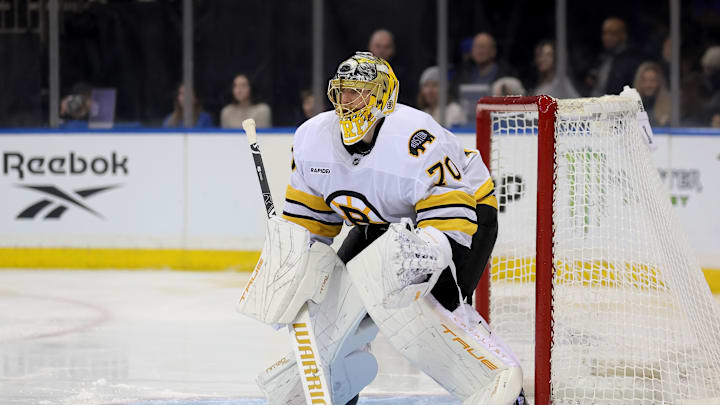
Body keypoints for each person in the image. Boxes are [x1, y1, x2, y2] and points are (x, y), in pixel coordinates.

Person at [245, 52, 526, 405]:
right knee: (333, 309)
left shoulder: (415, 138)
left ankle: (501, 387)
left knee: (430, 314)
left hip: (465, 213)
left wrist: (422, 259)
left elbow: (450, 217)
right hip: (380, 225)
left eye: (358, 91)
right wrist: (290, 267)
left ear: (383, 97)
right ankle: (336, 389)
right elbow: (311, 227)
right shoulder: (311, 140)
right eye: (343, 91)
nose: (346, 101)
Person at [587, 17, 642, 96]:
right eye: (604, 33)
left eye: (612, 33)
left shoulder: (632, 60)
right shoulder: (601, 57)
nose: (607, 37)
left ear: (623, 35)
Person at [633, 62, 671, 127]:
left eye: (652, 80)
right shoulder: (630, 105)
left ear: (659, 82)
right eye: (644, 80)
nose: (648, 85)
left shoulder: (669, 106)